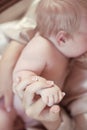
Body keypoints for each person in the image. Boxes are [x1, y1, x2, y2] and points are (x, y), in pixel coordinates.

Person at [0, 0, 87, 130]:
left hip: (36, 114)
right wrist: (42, 88)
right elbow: (22, 73)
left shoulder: (64, 54)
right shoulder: (41, 47)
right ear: (62, 39)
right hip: (9, 105)